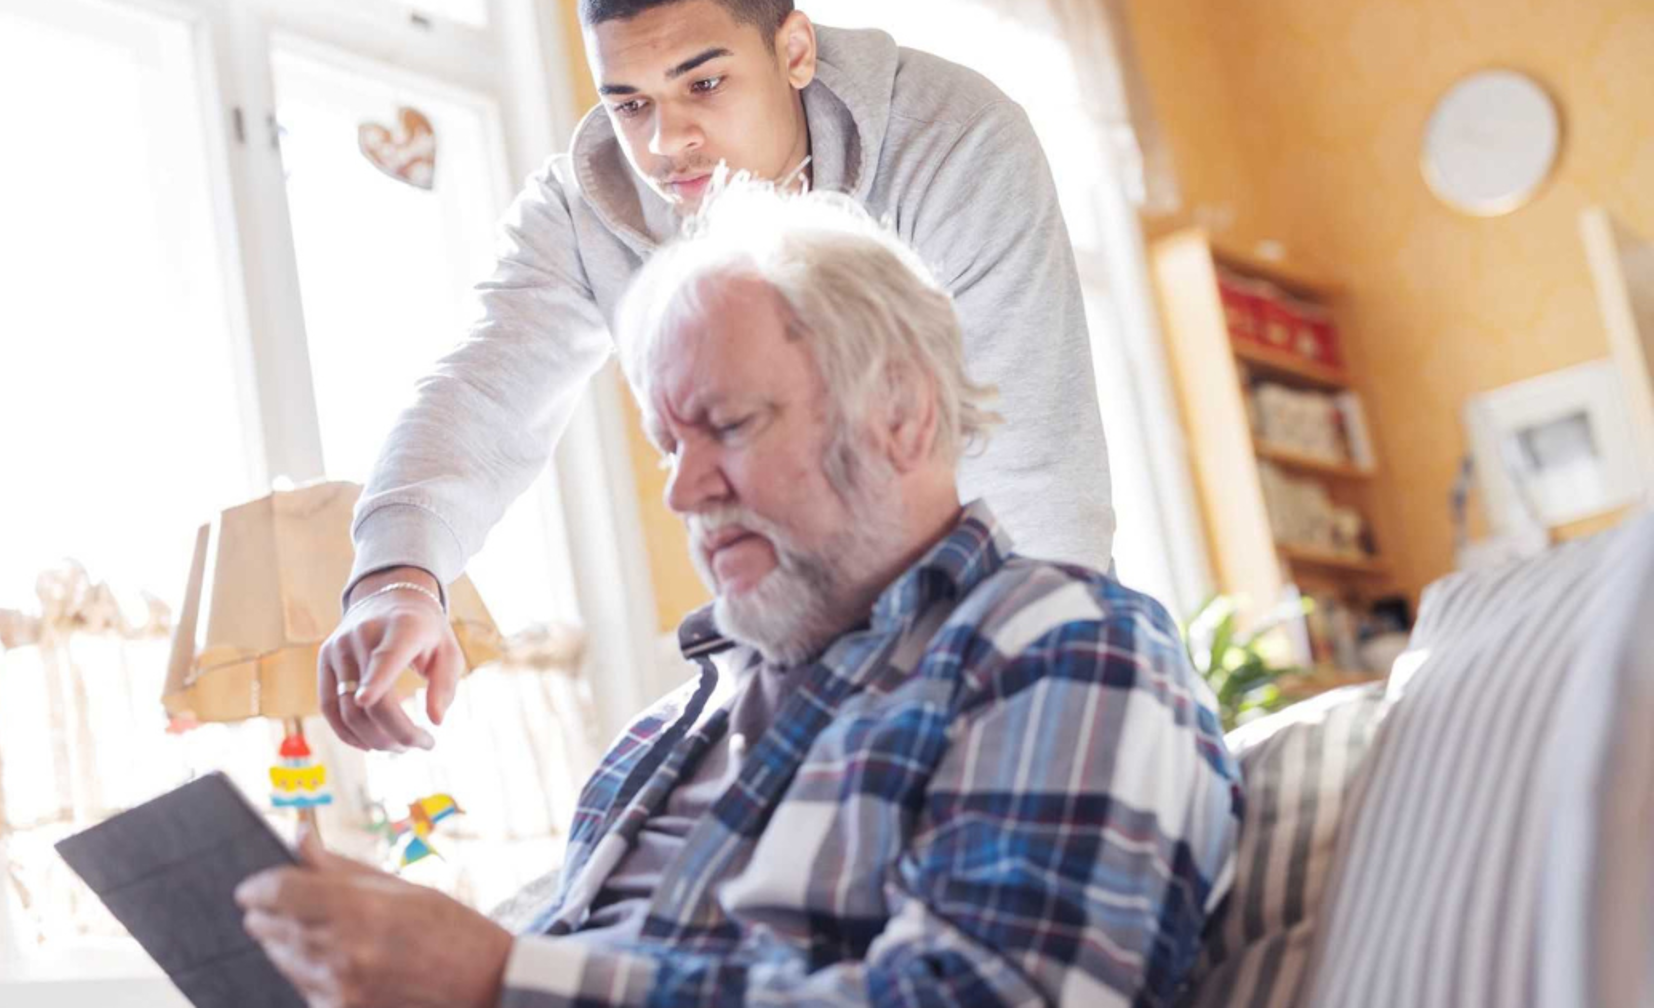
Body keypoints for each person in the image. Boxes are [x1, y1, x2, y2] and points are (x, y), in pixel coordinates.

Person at [242, 182, 1240, 1007]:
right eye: (669, 443)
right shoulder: (658, 735)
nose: (683, 488)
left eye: (726, 424)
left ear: (899, 414)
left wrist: (502, 978)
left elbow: (994, 993)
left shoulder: (1060, 647)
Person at [319, 0, 1116, 753]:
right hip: (785, 668)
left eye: (704, 83)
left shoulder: (954, 139)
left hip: (1011, 655)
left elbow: (1026, 458)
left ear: (794, 51)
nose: (667, 141)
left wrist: (1037, 685)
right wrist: (397, 576)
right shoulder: (580, 208)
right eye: (629, 103)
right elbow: (482, 390)